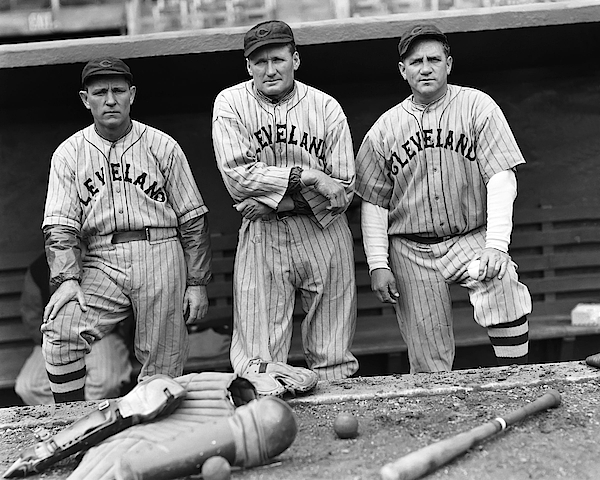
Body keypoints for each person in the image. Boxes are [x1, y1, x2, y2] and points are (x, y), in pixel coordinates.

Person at [355, 24, 532, 373]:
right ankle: (437, 417)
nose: (426, 67)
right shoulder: (384, 129)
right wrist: (378, 264)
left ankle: (518, 380)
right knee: (428, 359)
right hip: (410, 250)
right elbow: (375, 202)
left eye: (434, 59)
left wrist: (496, 244)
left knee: (501, 278)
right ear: (403, 70)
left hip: (468, 239)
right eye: (416, 61)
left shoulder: (477, 106)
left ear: (448, 64)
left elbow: (501, 177)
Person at [41, 57, 213, 402]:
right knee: (61, 332)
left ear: (132, 95)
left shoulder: (163, 146)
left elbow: (193, 221)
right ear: (84, 99)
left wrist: (196, 283)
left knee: (162, 368)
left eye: (118, 91)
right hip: (101, 259)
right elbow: (59, 226)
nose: (110, 99)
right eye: (100, 92)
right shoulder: (69, 153)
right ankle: (73, 422)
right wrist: (67, 279)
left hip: (161, 252)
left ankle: (152, 442)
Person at [212, 20, 358, 381]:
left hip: (323, 232)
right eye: (259, 62)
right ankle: (267, 425)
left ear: (296, 59)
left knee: (333, 354)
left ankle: (334, 422)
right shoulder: (230, 103)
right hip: (264, 236)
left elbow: (343, 187)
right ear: (248, 66)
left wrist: (278, 202)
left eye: (277, 59)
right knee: (258, 357)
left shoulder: (326, 107)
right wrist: (308, 176)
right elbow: (238, 178)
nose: (269, 69)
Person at [15, 252, 132, 405]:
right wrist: (56, 340)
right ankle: (68, 421)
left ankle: (94, 423)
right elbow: (31, 316)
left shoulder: (106, 257)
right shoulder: (39, 269)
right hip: (54, 340)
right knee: (29, 387)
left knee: (104, 381)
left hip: (100, 335)